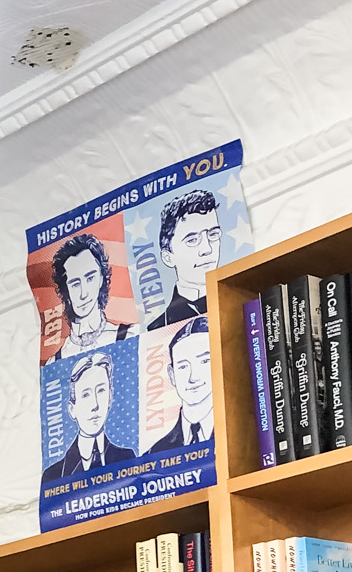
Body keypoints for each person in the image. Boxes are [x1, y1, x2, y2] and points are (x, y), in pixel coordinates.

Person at [41, 352, 134, 483]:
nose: (95, 405)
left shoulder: (128, 458)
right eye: (85, 395)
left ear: (110, 397)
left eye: (101, 391)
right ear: (72, 409)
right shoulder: (53, 474)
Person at [148, 189, 224, 328]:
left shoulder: (241, 300)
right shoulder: (157, 327)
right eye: (192, 240)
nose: (207, 249)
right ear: (168, 257)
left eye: (213, 234)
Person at [50, 231, 132, 356]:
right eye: (75, 284)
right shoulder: (56, 360)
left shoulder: (129, 337)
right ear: (65, 290)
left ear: (101, 279)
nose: (84, 294)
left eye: (90, 278)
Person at [147, 316, 214, 451]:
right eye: (183, 367)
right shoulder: (156, 452)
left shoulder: (242, 432)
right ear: (172, 375)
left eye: (205, 361)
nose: (193, 377)